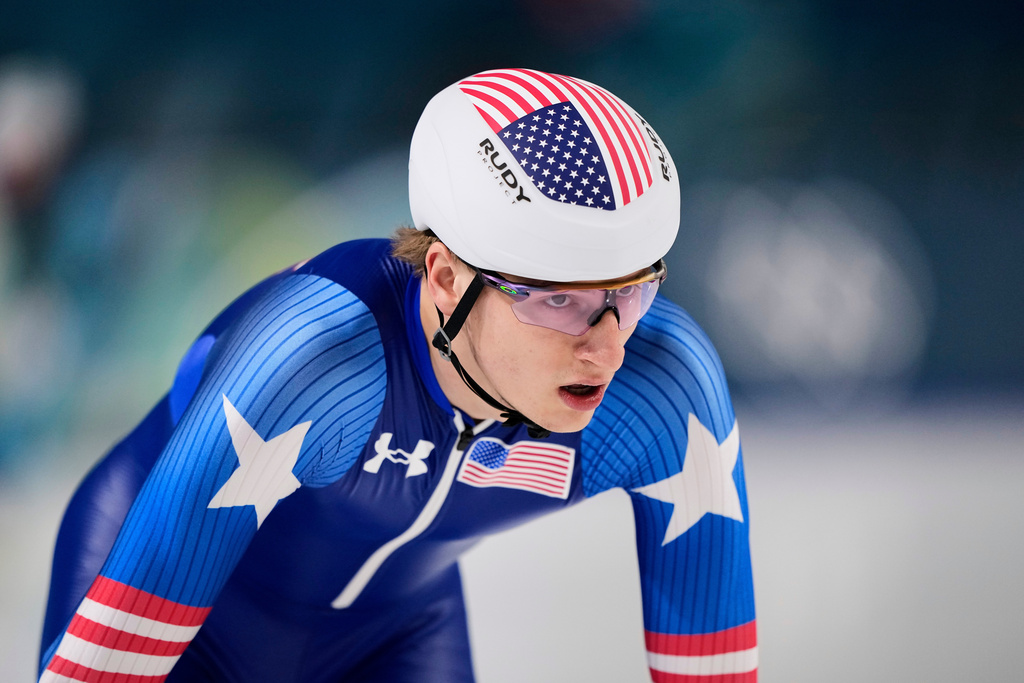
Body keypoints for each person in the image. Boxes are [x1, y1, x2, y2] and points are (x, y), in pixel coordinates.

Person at [38, 67, 756, 683]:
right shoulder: (319, 360)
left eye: (629, 294)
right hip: (183, 617)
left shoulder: (664, 392)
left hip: (396, 633)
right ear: (445, 276)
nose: (608, 352)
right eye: (558, 299)